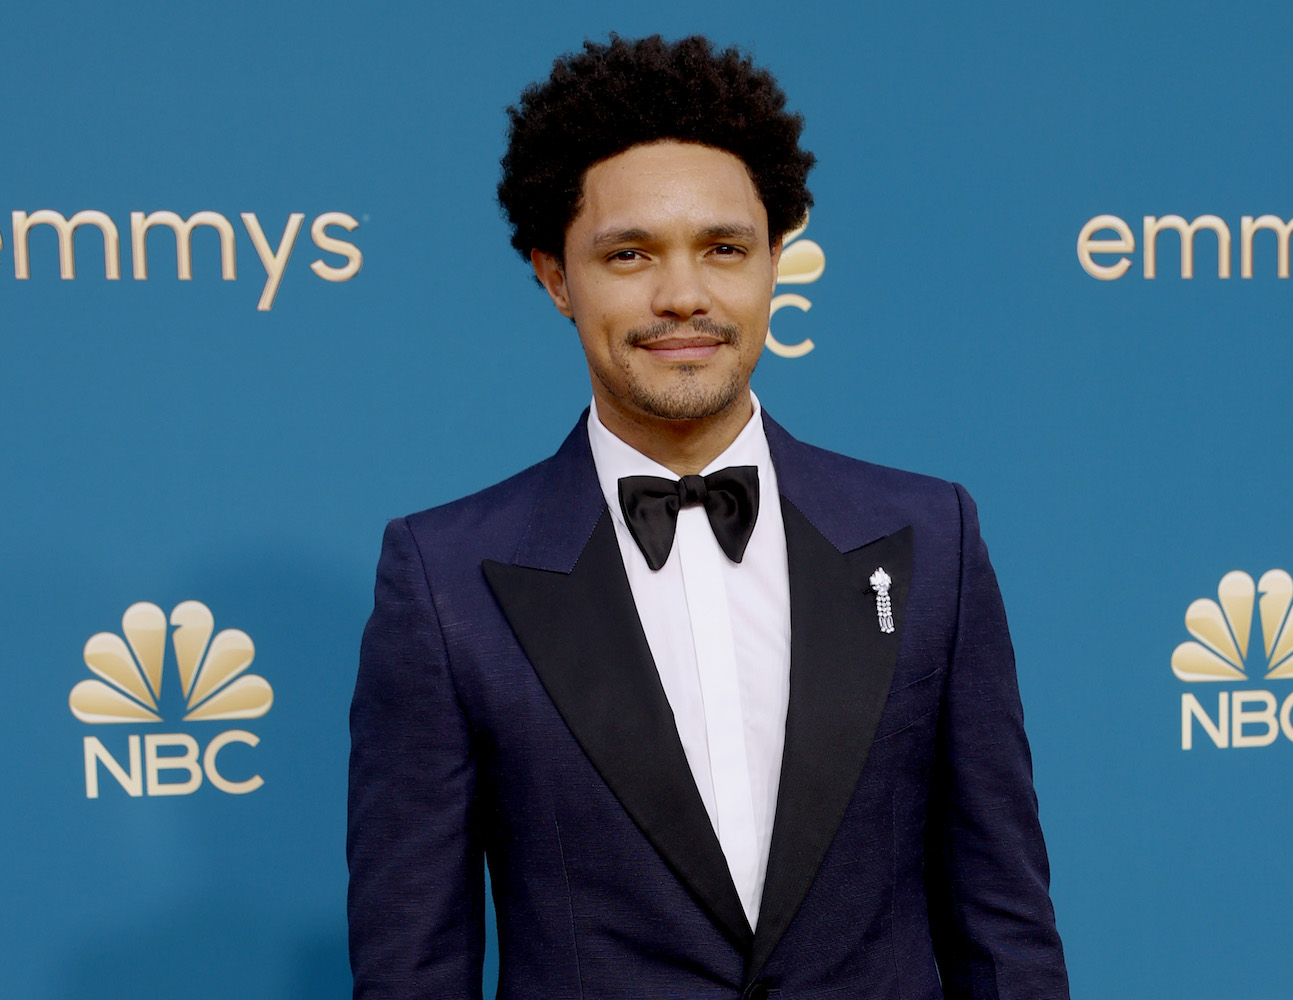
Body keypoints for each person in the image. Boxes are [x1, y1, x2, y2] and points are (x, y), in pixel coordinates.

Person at [348, 33, 1069, 1000]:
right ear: (556, 277)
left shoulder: (930, 537)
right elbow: (412, 969)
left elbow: (1005, 934)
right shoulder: (444, 580)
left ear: (776, 263)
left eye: (723, 249)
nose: (682, 295)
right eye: (630, 253)